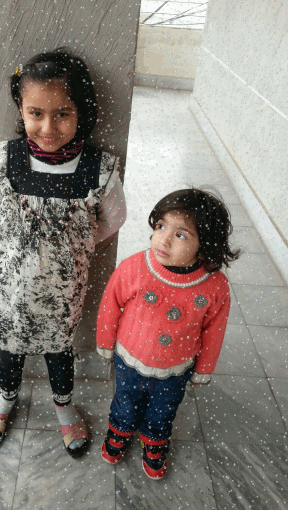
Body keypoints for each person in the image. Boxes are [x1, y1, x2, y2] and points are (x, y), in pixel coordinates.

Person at [0, 48, 126, 458]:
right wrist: (15, 243)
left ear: (81, 111)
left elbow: (113, 219)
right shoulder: (6, 161)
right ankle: (7, 395)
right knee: (9, 346)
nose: (48, 127)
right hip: (10, 291)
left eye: (63, 114)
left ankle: (63, 405)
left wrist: (73, 246)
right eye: (36, 113)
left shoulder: (97, 169)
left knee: (60, 349)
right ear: (21, 109)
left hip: (62, 294)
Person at [96, 188, 240, 478]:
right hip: (129, 360)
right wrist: (105, 343)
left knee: (163, 410)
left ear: (205, 245)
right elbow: (110, 305)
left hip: (175, 369)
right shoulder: (134, 267)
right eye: (161, 226)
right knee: (125, 401)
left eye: (181, 234)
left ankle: (154, 441)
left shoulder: (215, 286)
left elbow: (214, 332)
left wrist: (204, 369)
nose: (163, 239)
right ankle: (119, 431)